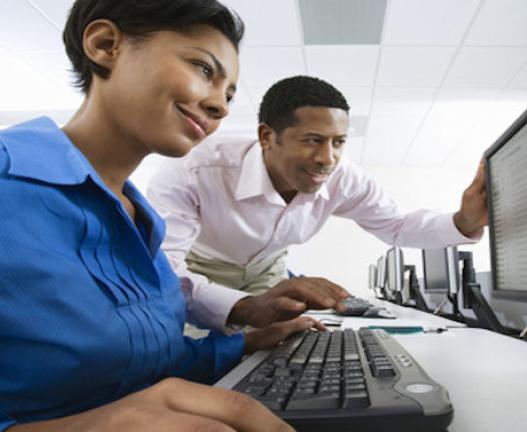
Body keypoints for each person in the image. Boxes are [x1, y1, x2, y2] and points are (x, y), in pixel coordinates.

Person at [0, 1, 333, 431]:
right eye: (203, 69)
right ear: (105, 45)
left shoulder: (144, 225)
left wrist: (248, 344)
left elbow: (153, 362)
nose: (221, 106)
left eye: (229, 94)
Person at [147, 75, 488, 332]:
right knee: (198, 354)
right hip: (201, 270)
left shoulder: (344, 177)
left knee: (273, 354)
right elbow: (164, 268)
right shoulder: (194, 169)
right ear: (267, 137)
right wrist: (245, 307)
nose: (328, 159)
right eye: (313, 140)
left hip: (268, 270)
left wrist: (463, 222)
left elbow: (396, 227)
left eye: (338, 142)